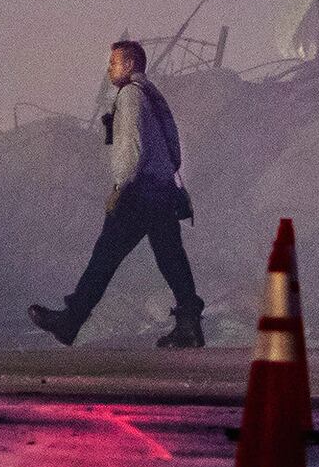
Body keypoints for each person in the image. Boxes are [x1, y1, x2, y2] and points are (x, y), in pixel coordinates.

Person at [28, 38, 206, 348]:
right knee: (171, 259)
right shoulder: (153, 95)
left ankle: (71, 321)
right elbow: (174, 147)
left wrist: (119, 186)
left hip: (139, 194)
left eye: (114, 62)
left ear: (130, 65)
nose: (109, 69)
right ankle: (189, 324)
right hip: (162, 192)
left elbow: (130, 147)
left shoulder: (129, 97)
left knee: (104, 257)